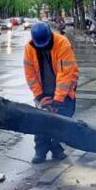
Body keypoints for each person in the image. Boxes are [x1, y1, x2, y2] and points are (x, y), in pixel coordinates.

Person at [23, 22, 79, 164]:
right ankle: (40, 152)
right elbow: (30, 75)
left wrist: (58, 99)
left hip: (64, 91)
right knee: (40, 122)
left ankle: (57, 149)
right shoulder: (29, 47)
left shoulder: (62, 43)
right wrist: (40, 96)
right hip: (43, 90)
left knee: (62, 121)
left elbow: (65, 74)